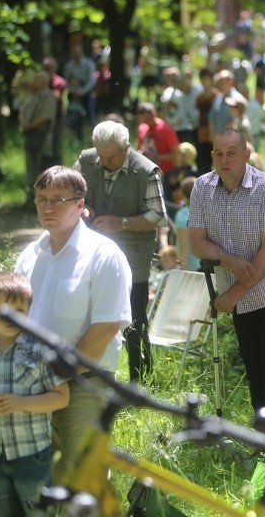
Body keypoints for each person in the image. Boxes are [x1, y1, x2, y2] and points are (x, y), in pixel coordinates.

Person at [15, 165, 132, 479]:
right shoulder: (29, 254)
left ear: (80, 205)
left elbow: (106, 326)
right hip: (31, 382)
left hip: (83, 384)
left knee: (84, 478)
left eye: (58, 199)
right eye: (41, 199)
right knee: (42, 477)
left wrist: (58, 374)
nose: (48, 207)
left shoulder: (104, 255)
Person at [188, 127, 265, 411]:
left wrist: (234, 293)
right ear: (212, 156)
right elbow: (197, 243)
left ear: (246, 155)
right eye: (219, 154)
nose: (225, 160)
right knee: (253, 370)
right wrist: (229, 261)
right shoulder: (202, 187)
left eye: (232, 153)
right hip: (238, 290)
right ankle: (263, 438)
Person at [0, 271, 70, 516]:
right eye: (5, 311)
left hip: (32, 454)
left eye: (21, 312)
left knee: (37, 510)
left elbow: (61, 396)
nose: (14, 319)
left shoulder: (40, 350)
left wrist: (23, 403)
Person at [75, 120, 168, 383]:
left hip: (133, 257)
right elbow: (69, 193)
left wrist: (121, 223)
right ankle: (90, 377)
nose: (104, 162)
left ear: (127, 148)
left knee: (134, 320)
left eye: (112, 157)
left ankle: (141, 382)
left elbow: (158, 216)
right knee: (88, 314)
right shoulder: (86, 159)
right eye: (100, 156)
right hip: (91, 253)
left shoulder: (146, 171)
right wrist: (81, 209)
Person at [19, 71, 57, 197]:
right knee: (30, 166)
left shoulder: (49, 97)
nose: (33, 82)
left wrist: (29, 126)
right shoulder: (32, 96)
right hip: (29, 136)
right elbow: (22, 111)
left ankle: (42, 196)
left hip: (42, 137)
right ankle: (30, 194)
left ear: (44, 82)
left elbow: (45, 118)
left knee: (42, 167)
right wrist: (24, 124)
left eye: (37, 79)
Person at [136, 102, 180, 175]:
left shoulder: (166, 130)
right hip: (146, 172)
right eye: (143, 120)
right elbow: (139, 149)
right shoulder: (142, 128)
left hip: (165, 173)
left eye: (147, 119)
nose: (145, 122)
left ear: (154, 114)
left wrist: (156, 157)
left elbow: (176, 155)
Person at [174, 176, 201, 272]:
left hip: (193, 270)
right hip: (211, 266)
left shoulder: (183, 214)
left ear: (183, 195)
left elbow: (184, 244)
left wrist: (183, 268)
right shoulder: (207, 211)